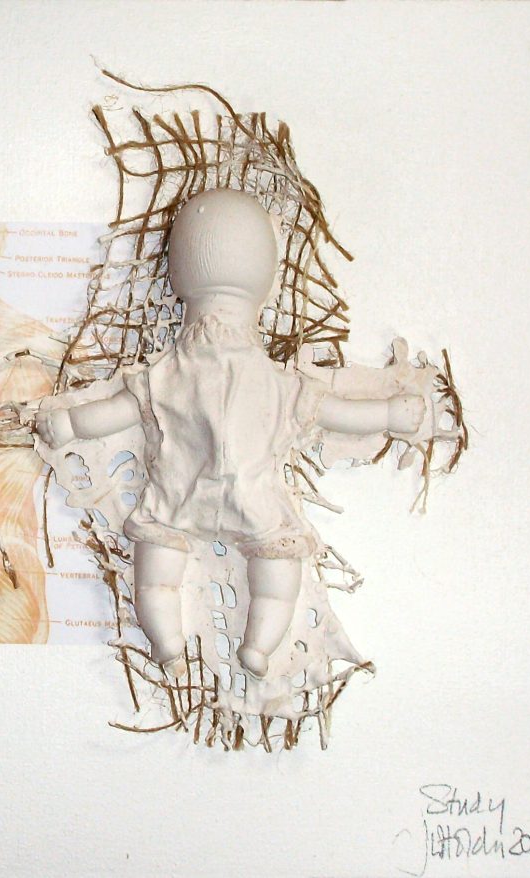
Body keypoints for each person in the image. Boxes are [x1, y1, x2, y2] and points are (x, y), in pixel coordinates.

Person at [37, 189, 425, 678]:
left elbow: (117, 412)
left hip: (178, 496)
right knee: (277, 573)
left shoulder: (168, 374)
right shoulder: (276, 382)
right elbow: (335, 412)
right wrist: (389, 414)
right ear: (265, 283)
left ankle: (170, 642)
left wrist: (70, 424)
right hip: (252, 499)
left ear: (179, 278)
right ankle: (256, 645)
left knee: (157, 579)